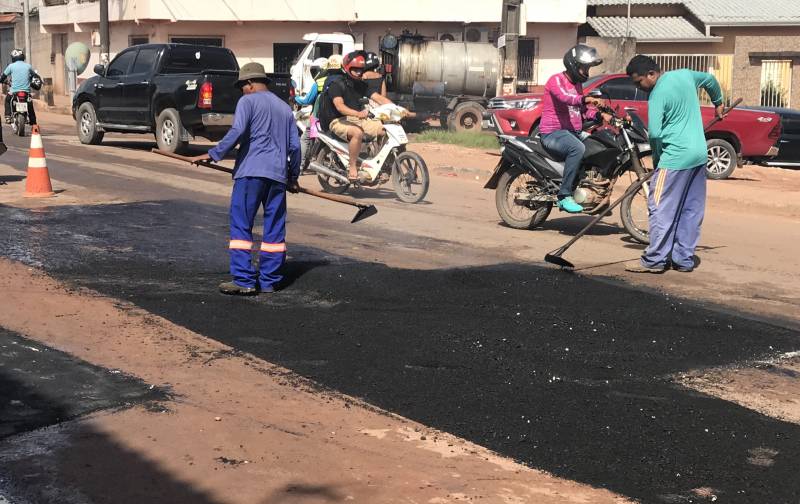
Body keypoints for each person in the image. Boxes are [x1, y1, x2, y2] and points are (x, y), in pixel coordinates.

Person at [189, 62, 300, 296]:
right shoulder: (284, 108)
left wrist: (213, 154)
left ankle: (244, 280)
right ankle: (270, 281)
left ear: (249, 83)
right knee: (274, 230)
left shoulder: (247, 102)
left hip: (250, 173)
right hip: (278, 176)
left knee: (241, 225)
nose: (242, 91)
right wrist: (293, 177)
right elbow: (295, 146)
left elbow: (237, 131)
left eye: (242, 86)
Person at [624, 55, 724, 274]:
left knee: (660, 208)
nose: (639, 87)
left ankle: (655, 260)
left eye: (639, 82)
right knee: (691, 209)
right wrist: (718, 103)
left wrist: (659, 161)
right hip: (698, 155)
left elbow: (656, 134)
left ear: (651, 74)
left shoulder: (658, 95)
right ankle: (683, 259)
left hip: (675, 158)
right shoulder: (685, 75)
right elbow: (710, 80)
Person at [539, 44, 607, 213]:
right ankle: (564, 195)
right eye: (585, 68)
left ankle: (591, 187)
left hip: (572, 132)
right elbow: (566, 98)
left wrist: (598, 116)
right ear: (574, 65)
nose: (586, 72)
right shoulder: (556, 80)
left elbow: (582, 111)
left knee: (600, 145)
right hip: (552, 133)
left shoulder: (577, 85)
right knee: (577, 148)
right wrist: (587, 99)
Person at [317, 50, 391, 183]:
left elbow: (379, 98)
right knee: (357, 133)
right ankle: (352, 167)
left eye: (360, 70)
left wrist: (399, 110)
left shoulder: (361, 85)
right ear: (347, 68)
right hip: (337, 120)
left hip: (356, 119)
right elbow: (339, 106)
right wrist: (358, 113)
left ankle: (379, 164)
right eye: (355, 69)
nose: (358, 72)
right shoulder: (337, 84)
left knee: (385, 130)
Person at [294, 57, 328, 168]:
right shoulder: (338, 79)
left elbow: (308, 100)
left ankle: (301, 165)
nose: (314, 73)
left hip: (317, 117)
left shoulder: (319, 83)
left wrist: (295, 98)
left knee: (306, 138)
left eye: (315, 70)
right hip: (333, 117)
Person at [1, 49, 38, 126]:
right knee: (30, 105)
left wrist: (2, 80)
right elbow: (35, 76)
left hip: (14, 91)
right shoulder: (28, 66)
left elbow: (3, 77)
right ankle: (33, 121)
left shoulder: (11, 66)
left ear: (13, 58)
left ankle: (8, 117)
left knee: (8, 100)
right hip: (26, 92)